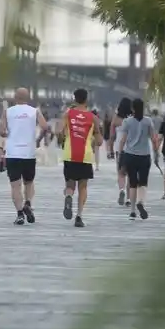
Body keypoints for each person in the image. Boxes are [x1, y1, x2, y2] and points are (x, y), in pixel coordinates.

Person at [0, 87, 47, 225]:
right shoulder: (34, 111)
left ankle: (20, 214)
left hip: (13, 153)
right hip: (29, 153)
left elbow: (2, 131)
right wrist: (38, 140)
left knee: (15, 185)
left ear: (15, 98)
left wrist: (8, 134)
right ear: (28, 98)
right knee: (29, 182)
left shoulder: (7, 112)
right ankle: (27, 203)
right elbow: (45, 127)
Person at [61, 89, 102, 227]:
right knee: (83, 186)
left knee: (70, 183)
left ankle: (68, 196)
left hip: (69, 154)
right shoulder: (93, 117)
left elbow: (58, 131)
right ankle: (79, 216)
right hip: (85, 155)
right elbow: (100, 141)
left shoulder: (68, 114)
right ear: (86, 99)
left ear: (74, 99)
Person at [117, 98, 157, 220]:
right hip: (144, 156)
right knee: (143, 183)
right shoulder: (148, 121)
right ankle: (141, 202)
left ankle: (133, 211)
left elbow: (123, 140)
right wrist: (156, 153)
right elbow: (153, 139)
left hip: (130, 156)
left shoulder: (127, 121)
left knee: (133, 183)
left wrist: (120, 154)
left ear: (133, 109)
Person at [111, 97, 132, 206]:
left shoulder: (116, 119)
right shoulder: (133, 118)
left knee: (121, 173)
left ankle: (121, 190)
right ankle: (129, 199)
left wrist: (109, 148)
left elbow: (111, 135)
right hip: (132, 148)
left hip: (119, 148)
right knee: (131, 174)